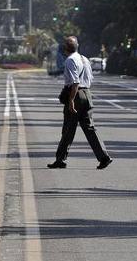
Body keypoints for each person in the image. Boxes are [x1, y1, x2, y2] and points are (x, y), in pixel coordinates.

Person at [48, 36, 113, 170]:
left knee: (68, 129)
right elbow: (89, 79)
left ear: (65, 48)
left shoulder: (70, 60)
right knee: (90, 128)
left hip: (76, 95)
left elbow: (75, 82)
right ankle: (104, 157)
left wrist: (71, 100)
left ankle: (60, 159)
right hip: (87, 94)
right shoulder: (84, 59)